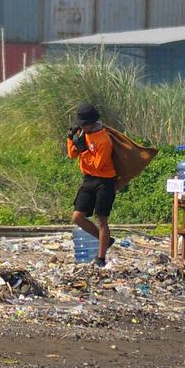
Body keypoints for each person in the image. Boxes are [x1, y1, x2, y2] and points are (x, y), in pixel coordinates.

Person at [68, 104, 118, 267]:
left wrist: (83, 149)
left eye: (84, 124)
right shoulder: (82, 133)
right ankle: (106, 240)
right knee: (77, 217)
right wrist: (71, 140)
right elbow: (71, 155)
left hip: (105, 181)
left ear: (91, 122)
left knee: (102, 219)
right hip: (88, 179)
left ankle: (101, 258)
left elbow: (98, 165)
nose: (81, 127)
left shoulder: (104, 140)